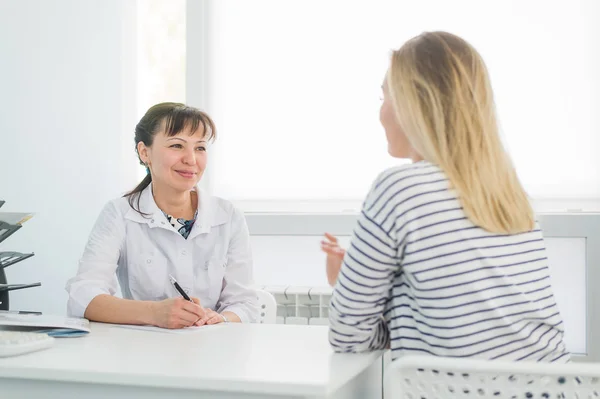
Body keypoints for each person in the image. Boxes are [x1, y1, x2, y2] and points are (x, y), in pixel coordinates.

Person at [321, 32, 569, 362]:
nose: (380, 113)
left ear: (413, 103)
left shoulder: (398, 189)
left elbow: (347, 336)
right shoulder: (510, 193)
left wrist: (354, 291)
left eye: (384, 97)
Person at [66, 102, 258, 328]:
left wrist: (219, 319)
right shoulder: (119, 214)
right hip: (144, 351)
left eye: (200, 148)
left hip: (211, 348)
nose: (191, 159)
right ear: (144, 152)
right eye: (177, 145)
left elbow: (245, 304)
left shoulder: (228, 216)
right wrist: (154, 313)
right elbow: (83, 297)